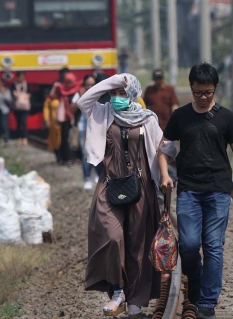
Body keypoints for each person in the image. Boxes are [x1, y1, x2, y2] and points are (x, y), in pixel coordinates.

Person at [158, 63, 233, 319]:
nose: (203, 98)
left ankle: (206, 303)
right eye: (198, 92)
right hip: (189, 190)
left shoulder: (226, 117)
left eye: (208, 92)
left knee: (214, 245)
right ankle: (197, 278)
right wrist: (163, 175)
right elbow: (164, 148)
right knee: (190, 245)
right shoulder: (180, 116)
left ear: (215, 89)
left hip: (218, 189)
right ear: (191, 89)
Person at [78, 73, 177, 318]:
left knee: (138, 245)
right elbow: (83, 101)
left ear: (133, 94)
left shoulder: (148, 119)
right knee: (112, 236)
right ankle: (118, 291)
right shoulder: (102, 113)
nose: (116, 98)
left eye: (122, 93)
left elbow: (165, 148)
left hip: (141, 186)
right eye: (113, 93)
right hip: (110, 184)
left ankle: (134, 304)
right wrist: (113, 81)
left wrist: (164, 174)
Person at [71, 74, 97, 189]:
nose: (90, 87)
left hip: (97, 128)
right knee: (86, 153)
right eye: (88, 85)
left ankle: (97, 174)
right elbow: (72, 109)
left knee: (97, 152)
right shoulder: (79, 94)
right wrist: (81, 98)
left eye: (92, 85)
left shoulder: (99, 94)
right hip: (84, 127)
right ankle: (87, 177)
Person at [51, 72, 81, 164]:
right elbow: (52, 96)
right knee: (65, 138)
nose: (69, 84)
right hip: (65, 118)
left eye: (71, 82)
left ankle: (76, 157)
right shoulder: (61, 89)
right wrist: (54, 86)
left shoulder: (79, 89)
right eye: (67, 82)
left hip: (77, 117)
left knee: (76, 138)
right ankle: (66, 158)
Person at [11, 71, 31, 147]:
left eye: (22, 76)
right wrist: (23, 96)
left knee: (24, 122)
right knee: (18, 122)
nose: (21, 78)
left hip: (25, 107)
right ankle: (19, 137)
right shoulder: (13, 85)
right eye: (20, 76)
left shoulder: (27, 85)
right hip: (17, 107)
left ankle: (25, 138)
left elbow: (29, 94)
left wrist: (20, 96)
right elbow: (13, 93)